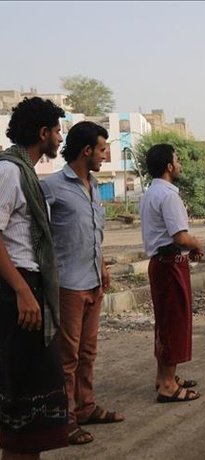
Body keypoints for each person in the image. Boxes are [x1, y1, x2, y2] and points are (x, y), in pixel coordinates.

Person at [40, 121, 123, 446]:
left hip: (92, 281)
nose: (105, 155)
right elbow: (38, 234)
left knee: (88, 352)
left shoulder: (93, 186)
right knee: (67, 357)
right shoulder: (53, 187)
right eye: (102, 149)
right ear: (86, 150)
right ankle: (65, 419)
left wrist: (101, 264)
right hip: (68, 285)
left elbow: (92, 234)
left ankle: (86, 406)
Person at [0, 97, 69, 458]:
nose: (60, 138)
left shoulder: (24, 171)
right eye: (57, 131)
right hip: (17, 294)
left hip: (29, 289)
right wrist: (23, 291)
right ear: (43, 133)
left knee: (32, 417)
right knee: (22, 414)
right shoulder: (9, 172)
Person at [139, 143, 203, 403]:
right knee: (173, 322)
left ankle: (164, 376)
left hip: (162, 263)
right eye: (177, 160)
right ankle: (167, 385)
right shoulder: (168, 195)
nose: (180, 165)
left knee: (166, 322)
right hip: (169, 264)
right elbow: (181, 237)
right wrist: (198, 244)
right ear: (168, 166)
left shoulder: (150, 193)